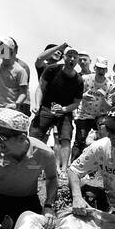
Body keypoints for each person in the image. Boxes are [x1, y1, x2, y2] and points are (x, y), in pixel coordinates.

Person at [33, 44, 86, 173]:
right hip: (46, 107)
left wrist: (63, 109)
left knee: (65, 138)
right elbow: (40, 87)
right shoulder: (51, 69)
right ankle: (32, 166)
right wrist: (36, 104)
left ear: (77, 60)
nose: (72, 59)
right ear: (64, 57)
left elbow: (77, 102)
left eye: (75, 57)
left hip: (64, 111)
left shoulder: (79, 80)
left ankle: (63, 170)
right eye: (69, 56)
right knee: (35, 135)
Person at [74, 58, 113, 159]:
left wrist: (103, 99)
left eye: (103, 69)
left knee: (101, 142)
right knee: (80, 141)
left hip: (99, 118)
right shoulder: (85, 78)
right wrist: (83, 96)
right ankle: (74, 167)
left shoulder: (109, 84)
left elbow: (110, 107)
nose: (101, 71)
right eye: (99, 68)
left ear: (106, 70)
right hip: (83, 115)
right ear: (95, 68)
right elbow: (73, 95)